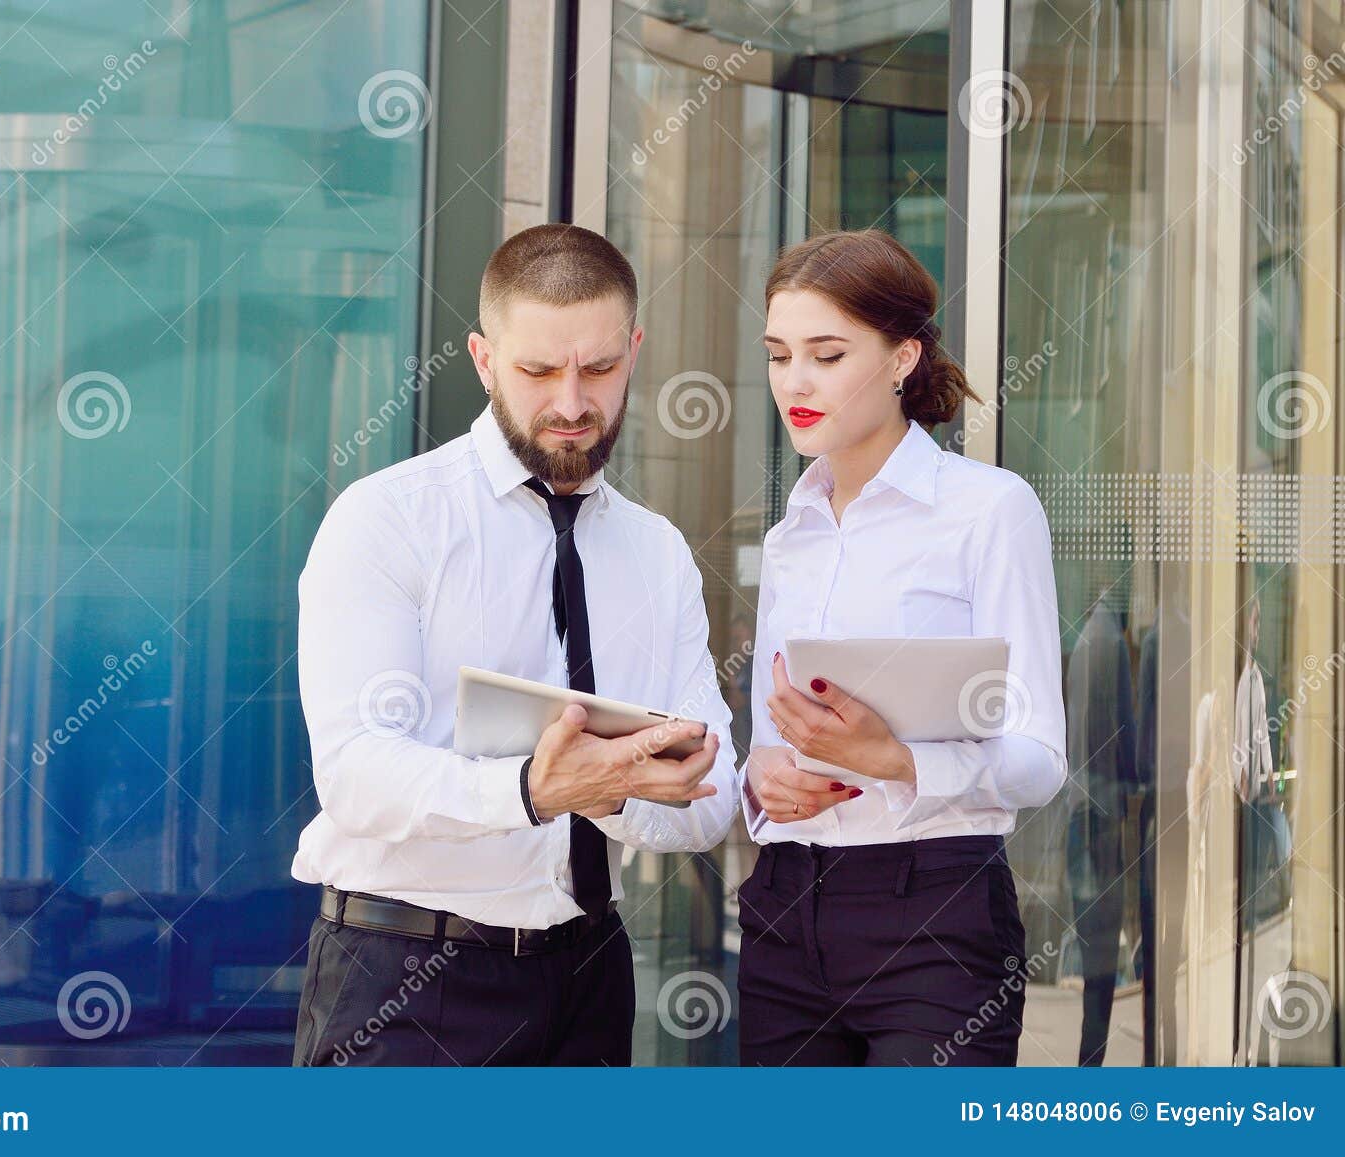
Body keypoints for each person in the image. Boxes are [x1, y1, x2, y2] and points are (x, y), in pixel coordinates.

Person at [289, 223, 739, 1066]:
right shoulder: (388, 520)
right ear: (484, 358)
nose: (572, 403)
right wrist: (533, 789)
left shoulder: (657, 552)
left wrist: (612, 790)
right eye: (537, 370)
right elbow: (354, 773)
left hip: (590, 976)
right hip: (406, 980)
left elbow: (711, 803)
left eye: (600, 368)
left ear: (634, 350)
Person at [737, 229, 1066, 1066]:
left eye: (828, 353)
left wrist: (899, 759)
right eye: (779, 355)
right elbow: (773, 742)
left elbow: (1039, 758)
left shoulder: (990, 510)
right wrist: (760, 777)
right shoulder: (790, 536)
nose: (795, 382)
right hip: (782, 911)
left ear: (901, 357)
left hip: (935, 913)